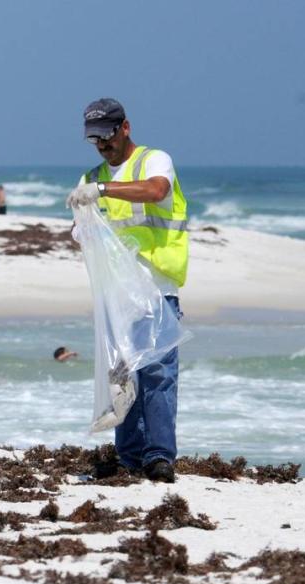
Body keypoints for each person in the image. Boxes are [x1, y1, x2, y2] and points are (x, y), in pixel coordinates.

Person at [66, 98, 189, 484]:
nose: (102, 145)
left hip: (155, 287)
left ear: (125, 128)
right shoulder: (91, 177)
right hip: (116, 295)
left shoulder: (155, 160)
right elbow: (88, 236)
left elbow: (155, 191)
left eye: (107, 136)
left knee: (157, 373)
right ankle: (130, 456)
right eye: (94, 139)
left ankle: (159, 457)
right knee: (123, 374)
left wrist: (102, 190)